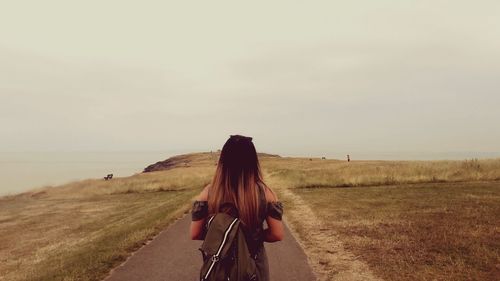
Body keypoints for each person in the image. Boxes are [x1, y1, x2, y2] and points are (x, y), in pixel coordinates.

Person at [190, 134, 284, 281]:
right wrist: (253, 236)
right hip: (254, 265)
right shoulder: (265, 193)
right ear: (253, 161)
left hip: (220, 265)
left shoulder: (209, 192)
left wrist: (225, 237)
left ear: (223, 161)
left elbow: (195, 233)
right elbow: (277, 234)